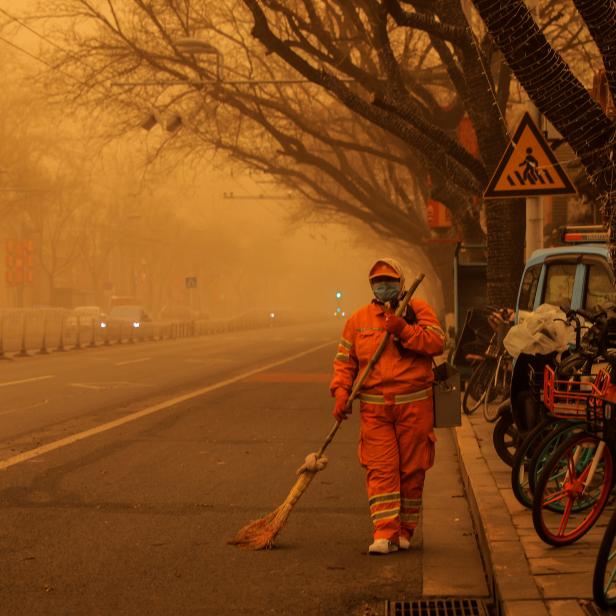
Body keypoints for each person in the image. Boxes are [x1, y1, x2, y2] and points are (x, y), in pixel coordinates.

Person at [329, 258, 445, 554]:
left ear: (401, 283)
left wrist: (404, 330)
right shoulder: (358, 320)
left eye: (389, 281)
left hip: (414, 407)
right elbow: (345, 362)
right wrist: (341, 393)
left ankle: (404, 531)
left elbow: (436, 343)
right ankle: (384, 532)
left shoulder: (418, 311)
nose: (383, 286)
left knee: (411, 470)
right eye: (378, 281)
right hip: (375, 410)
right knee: (381, 469)